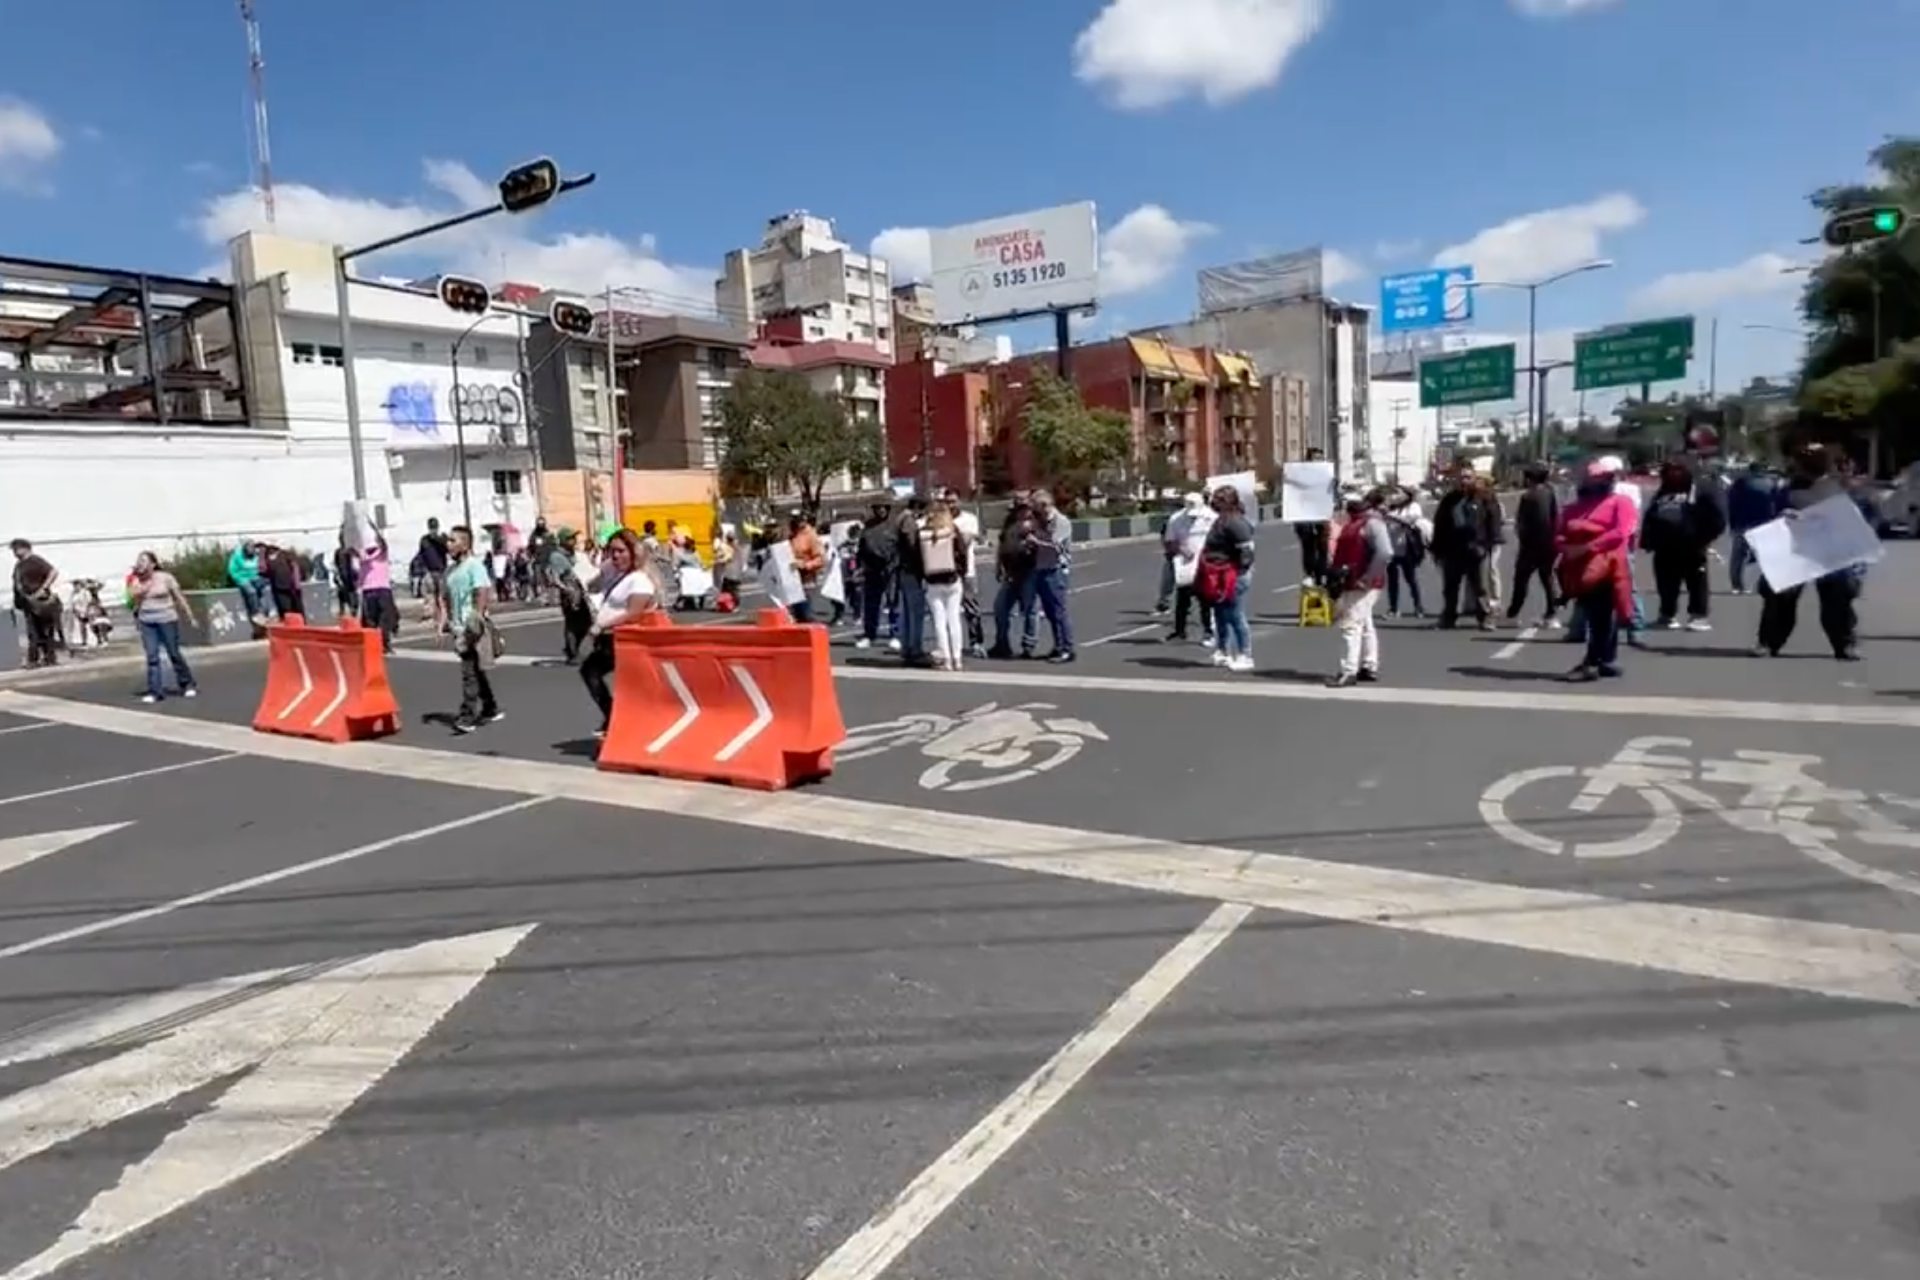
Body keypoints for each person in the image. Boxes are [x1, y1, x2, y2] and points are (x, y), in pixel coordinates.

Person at [1753, 446, 1863, 662]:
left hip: (1830, 550)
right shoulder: (1787, 488)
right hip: (1795, 549)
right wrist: (1782, 516)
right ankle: (1768, 642)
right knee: (1780, 599)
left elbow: (1856, 517)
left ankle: (1845, 645)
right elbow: (1771, 515)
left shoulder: (1838, 487)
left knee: (1838, 600)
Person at [1556, 461, 1638, 682]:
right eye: (1592, 478)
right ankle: (1605, 660)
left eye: (1603, 478)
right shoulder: (1574, 507)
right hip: (1578, 567)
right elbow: (1559, 533)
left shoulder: (1621, 503)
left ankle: (1592, 662)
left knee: (1602, 616)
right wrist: (1565, 547)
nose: (1597, 482)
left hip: (1608, 565)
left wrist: (1586, 547)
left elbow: (1620, 533)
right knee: (1597, 615)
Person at [579, 529, 661, 737]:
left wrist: (602, 625)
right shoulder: (618, 576)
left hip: (624, 639)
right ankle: (614, 717)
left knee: (598, 674)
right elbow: (590, 585)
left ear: (634, 552)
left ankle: (618, 719)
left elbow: (634, 612)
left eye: (621, 551)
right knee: (591, 672)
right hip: (608, 639)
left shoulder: (639, 580)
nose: (615, 556)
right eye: (612, 551)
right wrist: (604, 568)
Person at [1642, 456, 1727, 631]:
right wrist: (1648, 539)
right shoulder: (1663, 491)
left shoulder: (1702, 489)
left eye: (1678, 469)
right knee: (1665, 583)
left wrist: (1704, 538)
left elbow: (1718, 517)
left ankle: (1698, 616)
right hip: (1664, 547)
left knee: (1696, 582)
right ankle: (1667, 615)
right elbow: (1651, 515)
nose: (1673, 473)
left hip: (1692, 546)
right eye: (1670, 470)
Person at [1325, 492, 1393, 687]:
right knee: (1365, 624)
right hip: (1353, 580)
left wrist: (1368, 577)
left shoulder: (1371, 523)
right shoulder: (1356, 522)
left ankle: (1348, 671)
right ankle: (1369, 665)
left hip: (1362, 582)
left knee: (1351, 624)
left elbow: (1385, 552)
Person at [440, 524, 502, 734]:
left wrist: (477, 616)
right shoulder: (449, 571)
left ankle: (467, 716)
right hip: (457, 626)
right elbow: (446, 597)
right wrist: (445, 621)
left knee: (469, 672)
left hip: (471, 627)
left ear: (465, 544)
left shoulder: (474, 566)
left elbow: (482, 590)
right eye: (448, 540)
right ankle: (490, 707)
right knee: (475, 669)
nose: (448, 544)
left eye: (453, 540)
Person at [1431, 469, 1500, 630]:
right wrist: (1437, 549)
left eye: (1468, 478)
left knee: (1480, 587)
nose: (1464, 481)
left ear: (1474, 479)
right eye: (1461, 478)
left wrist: (1488, 544)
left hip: (1476, 549)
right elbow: (1440, 524)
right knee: (1450, 587)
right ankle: (1448, 617)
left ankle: (1485, 618)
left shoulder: (1484, 498)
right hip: (1452, 550)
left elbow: (1493, 521)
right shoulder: (1449, 500)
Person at [127, 551, 199, 703]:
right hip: (147, 620)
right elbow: (133, 596)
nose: (141, 563)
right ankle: (155, 691)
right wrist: (142, 581)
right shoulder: (136, 580)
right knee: (152, 656)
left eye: (144, 560)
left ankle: (187, 683)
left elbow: (178, 596)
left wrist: (190, 615)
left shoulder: (165, 578)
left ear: (153, 564)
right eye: (139, 560)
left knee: (173, 652)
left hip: (167, 618)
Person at [1199, 484, 1256, 672]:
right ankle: (1222, 650)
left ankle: (1245, 654)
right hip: (1218, 573)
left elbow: (1247, 552)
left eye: (1217, 499)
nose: (1213, 502)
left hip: (1231, 574)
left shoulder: (1235, 522)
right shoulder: (1222, 520)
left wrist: (1237, 572)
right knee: (1221, 614)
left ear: (1227, 502)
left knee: (1235, 614)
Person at [1506, 463, 1562, 628]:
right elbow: (1554, 517)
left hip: (1531, 545)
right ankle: (1551, 614)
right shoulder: (1551, 493)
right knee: (1548, 579)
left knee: (1521, 580)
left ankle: (1513, 613)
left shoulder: (1529, 496)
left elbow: (1524, 523)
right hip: (1549, 544)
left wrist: (1523, 537)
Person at [921, 503, 971, 670]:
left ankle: (946, 658)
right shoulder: (952, 531)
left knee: (939, 621)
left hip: (933, 580)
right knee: (954, 619)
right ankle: (958, 658)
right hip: (951, 578)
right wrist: (961, 572)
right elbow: (963, 553)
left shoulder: (924, 532)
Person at [1161, 493, 1215, 645]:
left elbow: (1220, 538)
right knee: (1183, 599)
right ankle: (1180, 631)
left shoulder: (1211, 517)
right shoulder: (1176, 519)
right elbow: (1169, 541)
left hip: (1207, 563)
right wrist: (1180, 549)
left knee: (1206, 600)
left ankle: (1209, 632)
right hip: (1185, 564)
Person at [1029, 489, 1076, 663]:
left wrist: (1036, 541)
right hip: (1042, 568)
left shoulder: (1060, 522)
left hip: (1056, 570)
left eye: (1036, 507)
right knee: (1049, 612)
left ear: (1045, 506)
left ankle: (1067, 648)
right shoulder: (1040, 521)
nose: (1035, 511)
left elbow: (1056, 545)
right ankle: (1058, 646)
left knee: (1059, 610)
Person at [990, 497, 1039, 659]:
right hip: (1010, 573)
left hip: (1028, 572)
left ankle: (1028, 645)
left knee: (1029, 610)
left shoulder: (1035, 524)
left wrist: (1031, 540)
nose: (1023, 511)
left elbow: (1041, 547)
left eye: (1026, 508)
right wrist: (998, 566)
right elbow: (1002, 545)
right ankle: (1002, 644)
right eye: (1020, 508)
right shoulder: (1009, 523)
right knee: (1000, 609)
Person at [9, 538, 62, 668]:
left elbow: (53, 572)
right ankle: (35, 659)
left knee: (44, 630)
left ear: (25, 548)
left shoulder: (35, 560)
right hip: (27, 602)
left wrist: (43, 588)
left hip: (40, 601)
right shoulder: (19, 565)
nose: (15, 552)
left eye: (16, 549)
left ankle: (48, 657)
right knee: (33, 632)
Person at [1726, 462, 1775, 596]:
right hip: (1763, 525)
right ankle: (1763, 584)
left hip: (1742, 524)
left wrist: (1732, 523)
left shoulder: (1741, 483)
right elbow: (1774, 506)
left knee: (1738, 557)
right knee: (1763, 557)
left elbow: (1732, 503)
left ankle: (1737, 585)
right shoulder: (1770, 484)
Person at [892, 495, 930, 663]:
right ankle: (914, 648)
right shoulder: (908, 521)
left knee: (907, 610)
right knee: (915, 611)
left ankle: (907, 647)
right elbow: (911, 543)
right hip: (911, 570)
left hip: (903, 569)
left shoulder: (899, 518)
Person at [855, 500, 898, 650]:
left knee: (893, 603)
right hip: (871, 570)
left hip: (890, 570)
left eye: (883, 507)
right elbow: (861, 548)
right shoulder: (868, 526)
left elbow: (900, 547)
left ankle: (895, 634)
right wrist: (859, 566)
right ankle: (869, 634)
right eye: (878, 508)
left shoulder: (894, 525)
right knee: (871, 604)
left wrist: (895, 564)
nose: (881, 510)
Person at [1382, 485, 1429, 619]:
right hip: (1391, 548)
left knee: (1411, 579)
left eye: (1398, 493)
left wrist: (1390, 517)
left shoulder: (1413, 507)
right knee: (1392, 581)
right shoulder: (1392, 508)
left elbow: (1410, 520)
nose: (1394, 496)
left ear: (1407, 495)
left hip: (1407, 548)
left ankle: (1418, 607)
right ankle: (1393, 608)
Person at [1294, 448, 1331, 585]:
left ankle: (1322, 575)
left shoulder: (1328, 476)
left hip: (1322, 518)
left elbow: (1334, 498)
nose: (1318, 461)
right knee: (1308, 547)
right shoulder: (1299, 475)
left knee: (1323, 547)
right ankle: (1309, 573)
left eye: (1320, 458)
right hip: (1305, 519)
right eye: (1315, 458)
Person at [787, 512, 826, 624]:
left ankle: (811, 633)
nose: (797, 523)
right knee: (795, 611)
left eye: (799, 520)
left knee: (805, 611)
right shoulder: (792, 535)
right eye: (795, 520)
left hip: (807, 577)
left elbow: (821, 559)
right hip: (792, 576)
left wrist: (805, 564)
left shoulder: (811, 536)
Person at [417, 518, 451, 624]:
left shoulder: (442, 539)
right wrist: (422, 569)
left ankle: (444, 617)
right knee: (430, 596)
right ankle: (431, 617)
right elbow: (421, 554)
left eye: (435, 527)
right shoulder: (424, 540)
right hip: (429, 571)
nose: (433, 530)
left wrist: (438, 539)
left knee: (442, 596)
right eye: (431, 527)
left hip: (441, 571)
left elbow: (448, 549)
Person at [228, 540, 269, 623]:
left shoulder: (255, 555)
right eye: (248, 556)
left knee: (267, 588)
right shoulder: (237, 556)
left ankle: (266, 611)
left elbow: (259, 567)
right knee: (252, 592)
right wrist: (237, 578)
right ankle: (255, 613)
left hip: (254, 577)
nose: (250, 558)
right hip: (241, 578)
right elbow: (231, 570)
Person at [264, 542, 304, 621]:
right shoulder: (267, 559)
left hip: (292, 587)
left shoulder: (286, 555)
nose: (271, 550)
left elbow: (295, 568)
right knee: (285, 610)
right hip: (278, 588)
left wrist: (296, 584)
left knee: (298, 609)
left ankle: (302, 627)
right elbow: (263, 570)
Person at [332, 536, 360, 618]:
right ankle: (347, 612)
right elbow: (337, 565)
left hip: (348, 579)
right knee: (346, 597)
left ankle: (348, 612)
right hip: (346, 578)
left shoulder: (347, 551)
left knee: (348, 597)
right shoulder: (343, 552)